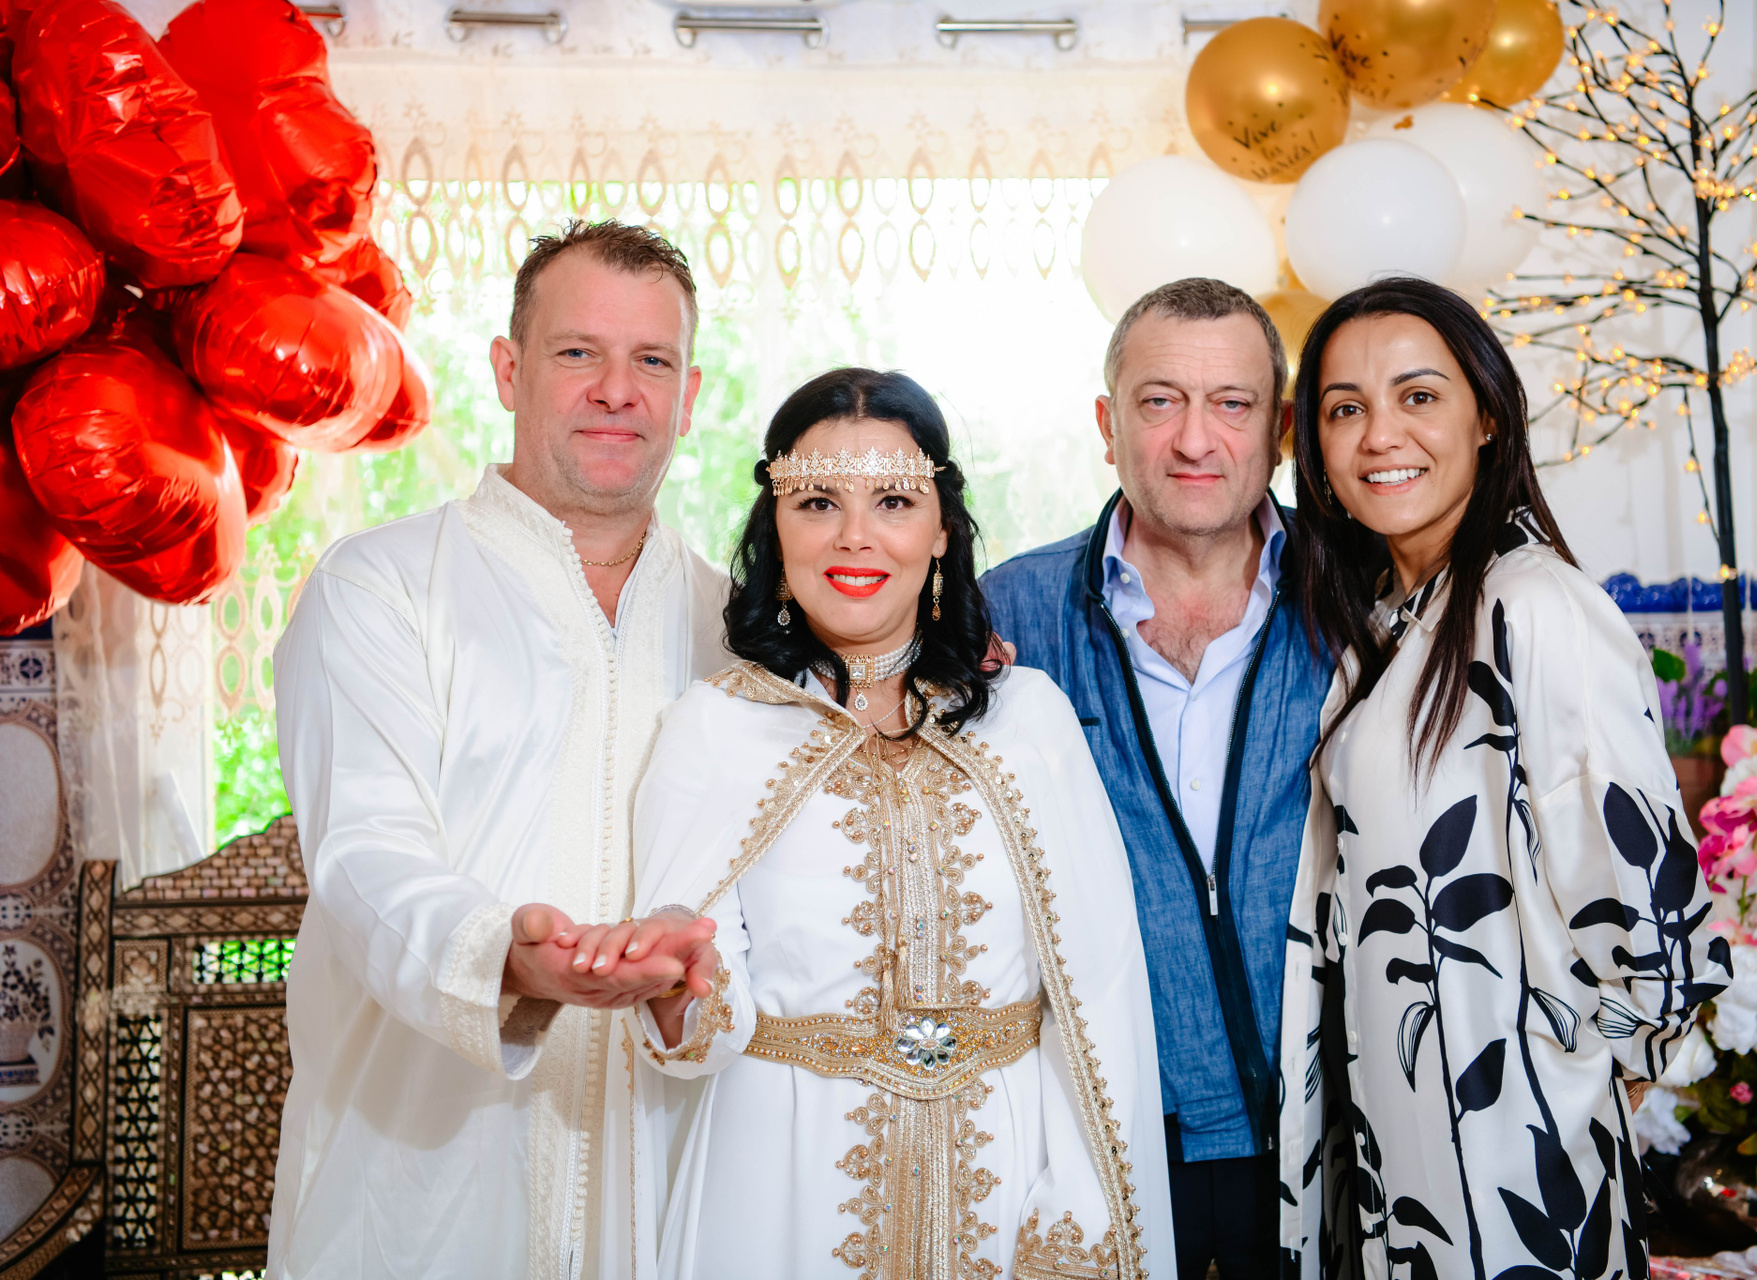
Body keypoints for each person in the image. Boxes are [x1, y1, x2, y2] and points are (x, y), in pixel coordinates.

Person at [610, 367, 1176, 1279]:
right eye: (817, 503)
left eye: (895, 502)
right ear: (776, 528)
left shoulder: (1026, 717)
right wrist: (676, 991)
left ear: (942, 529)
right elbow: (697, 1020)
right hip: (783, 1183)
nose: (855, 536)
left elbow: (1097, 997)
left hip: (1006, 1172)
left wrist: (1081, 1208)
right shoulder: (716, 727)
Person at [268, 221, 731, 1280]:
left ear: (690, 395)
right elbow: (363, 858)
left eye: (651, 361)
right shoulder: (382, 588)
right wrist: (505, 960)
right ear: (508, 370)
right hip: (421, 1178)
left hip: (667, 1187)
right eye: (578, 352)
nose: (617, 390)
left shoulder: (738, 625)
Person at [1289, 277, 1732, 1279]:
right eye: (1345, 409)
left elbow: (1652, 909)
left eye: (1418, 396)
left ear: (1487, 415)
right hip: (1400, 1136)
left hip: (1515, 1151)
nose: (1379, 435)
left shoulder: (1534, 607)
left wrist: (1570, 1082)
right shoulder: (1383, 620)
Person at [980, 277, 1333, 1278]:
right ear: (1108, 424)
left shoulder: (1356, 599)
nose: (1194, 439)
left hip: (1324, 1131)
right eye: (1160, 401)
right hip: (1103, 1128)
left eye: (1232, 404)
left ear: (1280, 430)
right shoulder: (1007, 612)